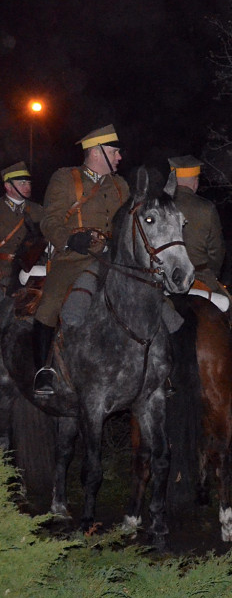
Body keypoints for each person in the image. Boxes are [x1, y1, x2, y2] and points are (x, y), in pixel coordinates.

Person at [33, 124, 128, 395]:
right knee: (49, 303)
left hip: (112, 259)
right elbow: (50, 220)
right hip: (72, 258)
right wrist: (68, 240)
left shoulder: (120, 185)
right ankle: (43, 370)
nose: (120, 157)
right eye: (114, 151)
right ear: (97, 152)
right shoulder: (65, 178)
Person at [168, 155, 226, 294]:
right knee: (230, 306)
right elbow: (216, 250)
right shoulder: (207, 208)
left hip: (165, 278)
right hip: (200, 278)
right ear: (195, 181)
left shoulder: (160, 206)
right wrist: (213, 273)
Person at [0, 162, 42, 293]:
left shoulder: (39, 210)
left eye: (28, 183)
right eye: (22, 183)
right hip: (4, 271)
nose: (27, 187)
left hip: (31, 270)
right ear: (8, 186)